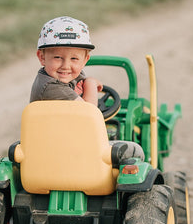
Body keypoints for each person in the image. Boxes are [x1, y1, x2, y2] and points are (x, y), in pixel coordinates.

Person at [30, 16, 145, 165]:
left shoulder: (61, 77)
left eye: (74, 59)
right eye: (58, 57)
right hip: (67, 149)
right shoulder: (51, 87)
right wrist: (90, 84)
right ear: (42, 57)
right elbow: (89, 115)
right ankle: (123, 187)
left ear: (85, 60)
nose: (66, 65)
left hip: (62, 143)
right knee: (135, 151)